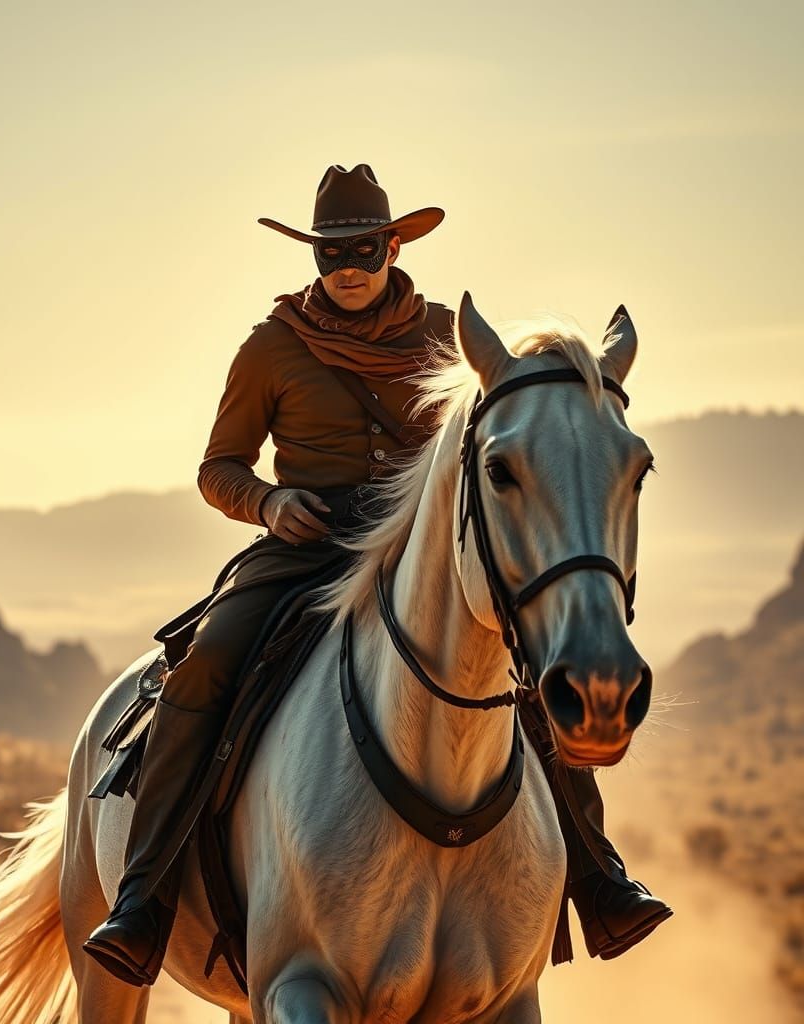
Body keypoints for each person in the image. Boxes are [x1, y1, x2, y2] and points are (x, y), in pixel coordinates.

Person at [83, 164, 671, 987]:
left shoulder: (444, 334)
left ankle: (598, 877)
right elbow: (219, 467)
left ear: (393, 246)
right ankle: (142, 898)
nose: (347, 269)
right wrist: (268, 501)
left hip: (417, 547)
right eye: (330, 255)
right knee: (205, 664)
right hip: (307, 545)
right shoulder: (270, 347)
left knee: (532, 679)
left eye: (363, 249)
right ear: (314, 261)